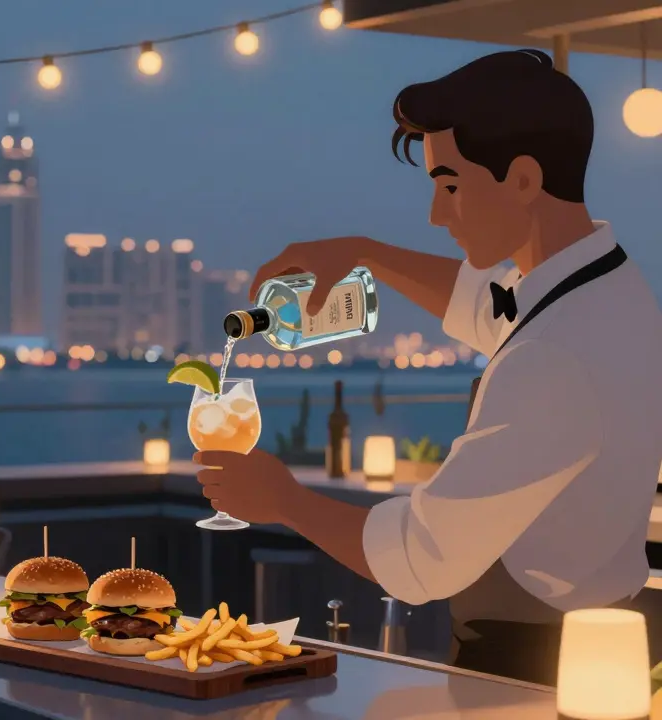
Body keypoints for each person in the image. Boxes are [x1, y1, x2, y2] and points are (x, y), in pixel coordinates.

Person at [195, 49, 662, 685]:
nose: (437, 215)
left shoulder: (552, 358)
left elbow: (423, 558)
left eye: (450, 186)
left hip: (528, 667)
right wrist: (361, 252)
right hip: (599, 640)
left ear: (522, 180)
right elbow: (483, 302)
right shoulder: (606, 288)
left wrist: (283, 499)